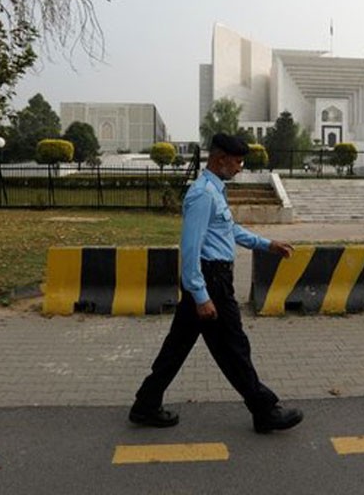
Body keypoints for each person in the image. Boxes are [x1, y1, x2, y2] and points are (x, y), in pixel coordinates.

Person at [129, 133, 304, 434]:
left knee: (178, 347)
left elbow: (229, 230)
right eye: (236, 162)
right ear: (220, 159)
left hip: (211, 281)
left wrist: (267, 244)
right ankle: (264, 411)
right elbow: (190, 248)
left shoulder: (214, 191)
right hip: (211, 283)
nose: (239, 168)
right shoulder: (202, 195)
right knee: (234, 348)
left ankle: (145, 404)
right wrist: (201, 295)